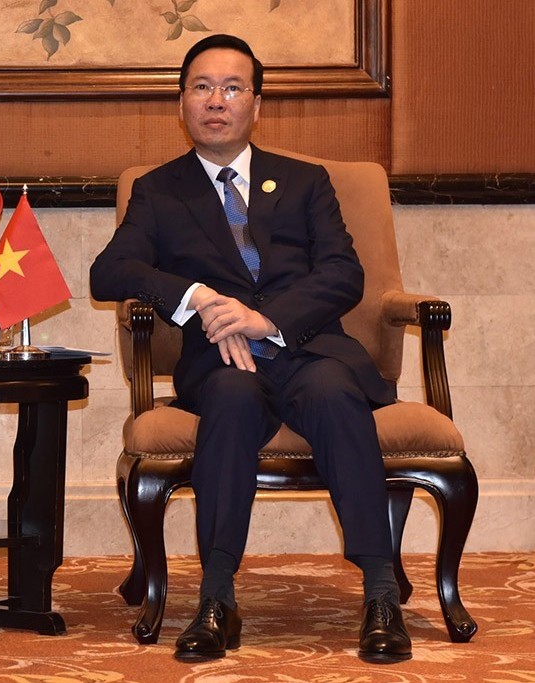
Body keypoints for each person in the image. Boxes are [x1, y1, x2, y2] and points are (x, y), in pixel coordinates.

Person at [89, 35, 411, 664]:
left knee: (333, 394)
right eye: (202, 87)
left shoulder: (305, 181)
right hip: (221, 364)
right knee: (232, 404)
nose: (217, 101)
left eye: (232, 88)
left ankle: (379, 594)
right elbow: (111, 272)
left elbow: (343, 274)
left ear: (256, 104)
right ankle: (216, 598)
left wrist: (266, 319)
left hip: (309, 349)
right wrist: (201, 297)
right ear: (182, 102)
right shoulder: (159, 191)